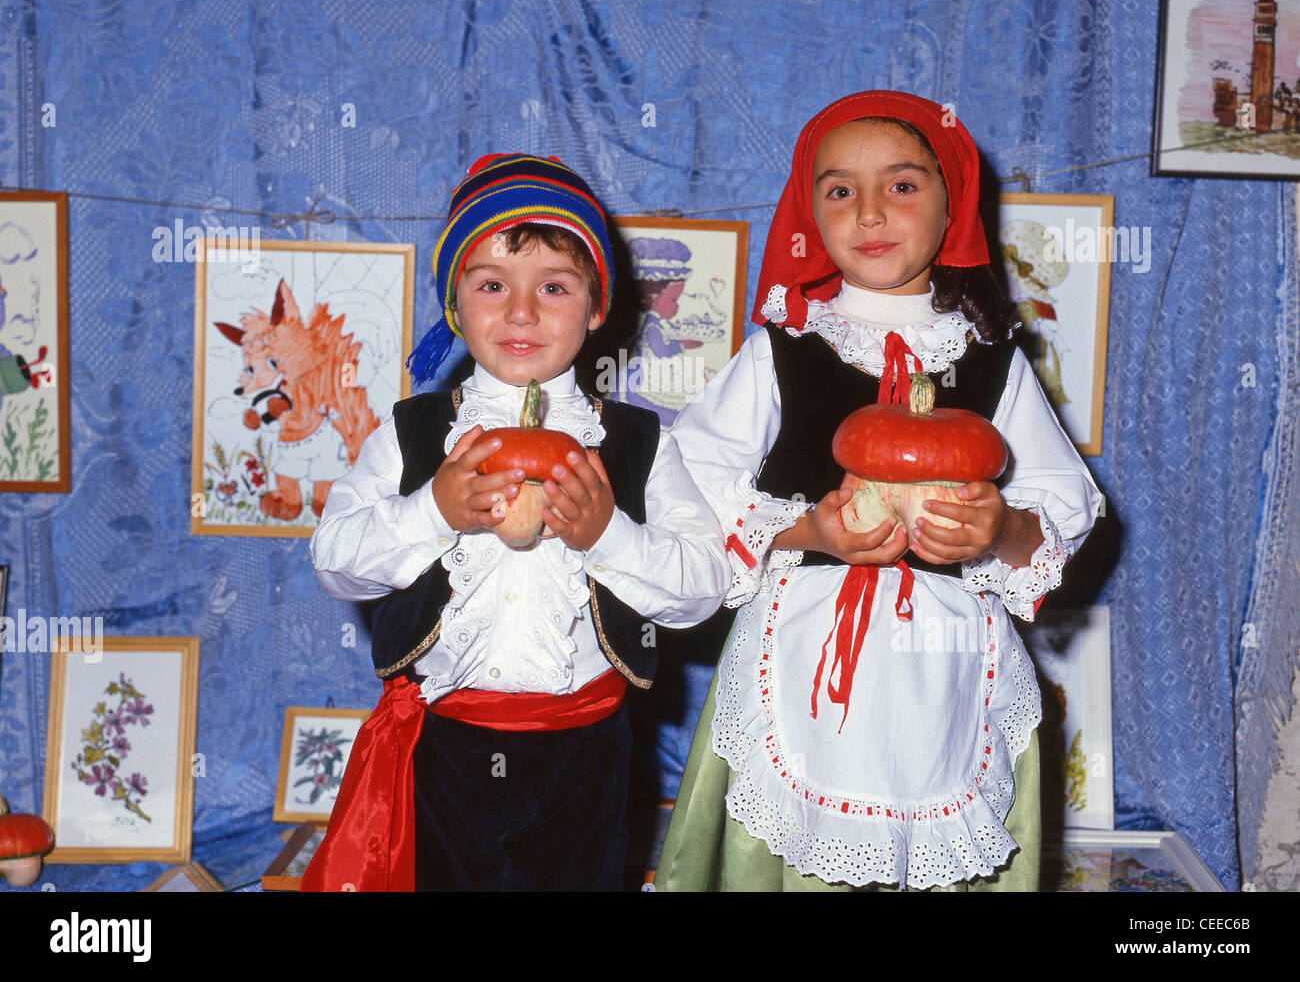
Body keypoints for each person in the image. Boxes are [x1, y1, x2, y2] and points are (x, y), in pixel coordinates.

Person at [656, 92, 1103, 892]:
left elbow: (1060, 510)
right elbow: (688, 482)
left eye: (901, 185)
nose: (869, 213)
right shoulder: (786, 349)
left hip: (947, 670)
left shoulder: (993, 360)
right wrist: (808, 534)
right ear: (808, 210)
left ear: (952, 201)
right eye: (839, 190)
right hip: (799, 657)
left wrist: (996, 529)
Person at [301, 153, 728, 892]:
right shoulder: (412, 433)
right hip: (447, 747)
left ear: (598, 308)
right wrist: (431, 509)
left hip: (585, 755)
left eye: (554, 287)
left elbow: (702, 589)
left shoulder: (636, 443)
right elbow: (334, 558)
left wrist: (608, 535)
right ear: (453, 306)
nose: (521, 312)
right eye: (492, 285)